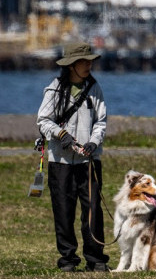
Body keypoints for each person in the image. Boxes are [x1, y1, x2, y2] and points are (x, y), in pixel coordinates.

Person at [37, 41, 110, 272]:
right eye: (83, 61)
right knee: (63, 210)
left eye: (90, 61)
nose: (89, 65)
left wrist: (93, 142)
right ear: (71, 65)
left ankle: (96, 259)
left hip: (89, 160)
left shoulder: (95, 88)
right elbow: (43, 120)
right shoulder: (54, 89)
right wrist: (61, 134)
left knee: (93, 210)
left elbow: (101, 121)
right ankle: (68, 260)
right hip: (60, 162)